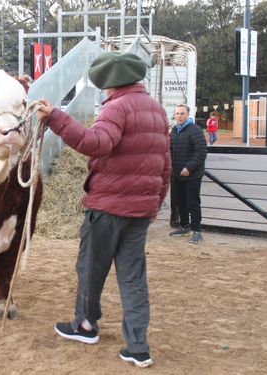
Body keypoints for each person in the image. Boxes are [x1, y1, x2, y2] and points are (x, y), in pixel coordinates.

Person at [36, 52, 171, 368]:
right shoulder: (157, 110)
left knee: (90, 269)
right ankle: (138, 346)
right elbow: (165, 165)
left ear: (110, 84)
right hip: (140, 211)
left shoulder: (116, 107)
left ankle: (85, 325)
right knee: (134, 278)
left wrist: (56, 117)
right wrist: (155, 203)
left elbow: (97, 144)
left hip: (107, 207)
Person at [169, 104, 207, 244]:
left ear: (188, 114)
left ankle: (197, 231)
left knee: (193, 203)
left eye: (182, 113)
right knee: (180, 202)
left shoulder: (195, 130)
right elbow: (169, 149)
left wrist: (189, 167)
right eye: (177, 113)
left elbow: (201, 152)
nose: (179, 116)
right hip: (177, 174)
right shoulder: (174, 130)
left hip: (192, 175)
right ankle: (185, 227)